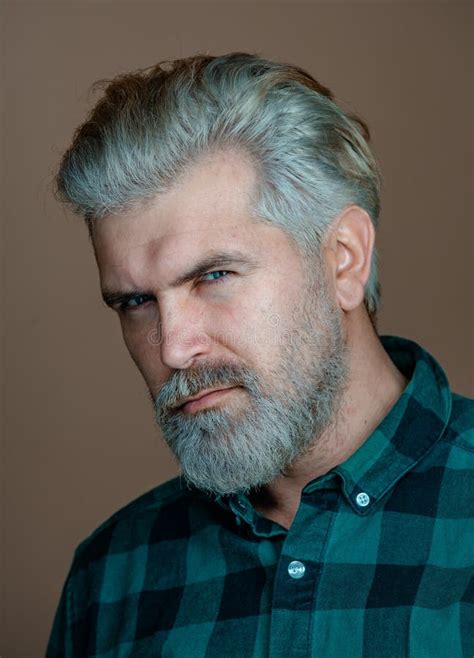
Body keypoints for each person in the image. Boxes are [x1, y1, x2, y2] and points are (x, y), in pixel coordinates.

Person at [45, 52, 473, 658]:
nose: (173, 346)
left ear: (343, 258)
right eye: (136, 301)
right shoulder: (112, 573)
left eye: (214, 275)